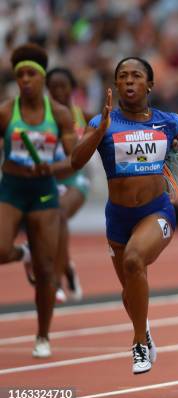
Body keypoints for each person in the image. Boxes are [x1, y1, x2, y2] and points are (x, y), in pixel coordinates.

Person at [71, 57, 178, 374]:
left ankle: (138, 343)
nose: (129, 81)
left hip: (156, 211)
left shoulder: (167, 121)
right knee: (130, 292)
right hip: (117, 217)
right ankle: (144, 329)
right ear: (115, 85)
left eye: (136, 76)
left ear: (149, 84)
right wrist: (98, 131)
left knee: (133, 260)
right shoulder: (101, 122)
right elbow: (75, 161)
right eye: (122, 76)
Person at [0, 43, 77, 358]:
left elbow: (73, 160)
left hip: (44, 191)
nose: (26, 80)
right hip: (12, 188)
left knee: (46, 270)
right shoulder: (6, 112)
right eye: (20, 75)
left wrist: (53, 167)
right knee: (1, 249)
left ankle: (43, 335)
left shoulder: (59, 115)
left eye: (32, 74)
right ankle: (23, 252)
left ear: (42, 78)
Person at [45, 67, 90, 302]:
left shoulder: (80, 114)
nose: (58, 92)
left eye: (63, 87)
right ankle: (67, 268)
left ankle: (55, 280)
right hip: (45, 181)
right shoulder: (39, 116)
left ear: (72, 89)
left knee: (59, 215)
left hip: (74, 181)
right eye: (53, 89)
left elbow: (76, 160)